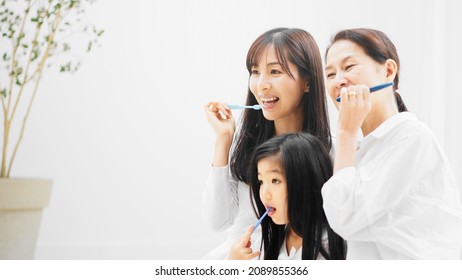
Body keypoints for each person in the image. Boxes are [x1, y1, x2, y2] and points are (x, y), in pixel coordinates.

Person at [322, 28, 462, 259]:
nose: (339, 81)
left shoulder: (412, 139)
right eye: (330, 74)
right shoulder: (361, 150)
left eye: (349, 67)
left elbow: (345, 215)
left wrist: (346, 131)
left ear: (388, 71)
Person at [202, 27, 332, 259]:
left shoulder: (331, 152)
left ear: (308, 82)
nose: (261, 84)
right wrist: (224, 140)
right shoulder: (249, 148)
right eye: (255, 71)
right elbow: (217, 221)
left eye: (274, 71)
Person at [228, 132, 346, 260]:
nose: (264, 194)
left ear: (305, 181)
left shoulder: (332, 244)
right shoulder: (262, 245)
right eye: (261, 182)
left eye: (275, 181)